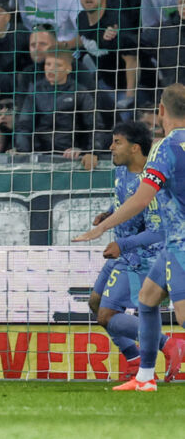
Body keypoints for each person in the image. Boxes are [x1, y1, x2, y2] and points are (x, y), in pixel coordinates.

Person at [75, 83, 185, 390]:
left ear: (162, 111)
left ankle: (164, 351)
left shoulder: (163, 149)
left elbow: (143, 204)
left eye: (117, 142)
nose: (112, 147)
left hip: (167, 246)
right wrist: (110, 213)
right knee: (140, 302)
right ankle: (145, 376)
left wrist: (102, 229)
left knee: (179, 315)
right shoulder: (126, 171)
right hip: (156, 248)